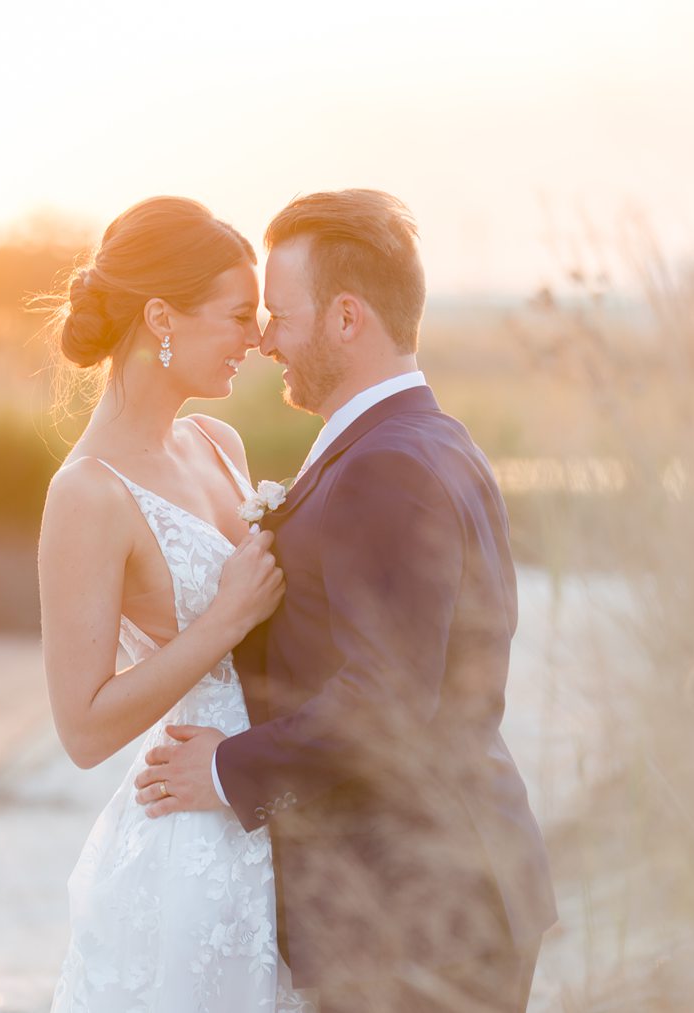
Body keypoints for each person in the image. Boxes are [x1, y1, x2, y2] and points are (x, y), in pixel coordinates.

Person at [133, 189, 558, 1011]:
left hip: (419, 908)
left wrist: (222, 767)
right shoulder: (429, 438)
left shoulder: (384, 466)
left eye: (280, 314)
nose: (262, 338)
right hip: (450, 890)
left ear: (347, 319)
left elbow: (385, 702)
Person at [38, 196, 308, 1011]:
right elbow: (82, 728)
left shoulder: (217, 444)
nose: (256, 340)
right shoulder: (86, 494)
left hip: (268, 801)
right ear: (162, 316)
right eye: (236, 316)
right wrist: (224, 620)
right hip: (192, 834)